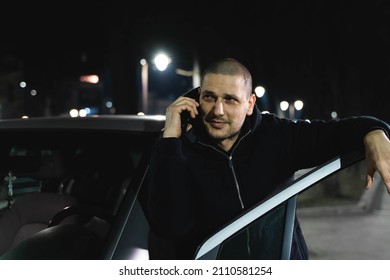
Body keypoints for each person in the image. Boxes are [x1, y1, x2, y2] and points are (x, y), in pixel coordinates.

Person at [146, 57, 390, 260]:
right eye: (210, 97)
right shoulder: (181, 152)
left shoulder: (276, 136)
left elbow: (336, 132)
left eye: (230, 99)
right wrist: (170, 140)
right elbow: (170, 226)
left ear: (250, 104)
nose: (218, 110)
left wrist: (375, 131)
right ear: (198, 99)